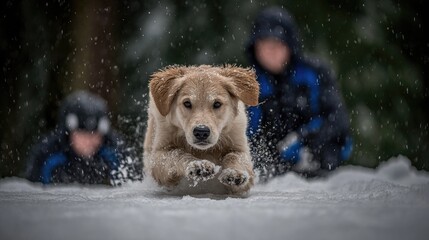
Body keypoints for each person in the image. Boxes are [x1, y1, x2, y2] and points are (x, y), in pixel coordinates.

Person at [246, 6, 353, 181]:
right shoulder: (248, 82)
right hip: (270, 170)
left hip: (320, 161)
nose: (271, 51)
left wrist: (303, 139)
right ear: (255, 47)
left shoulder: (315, 73)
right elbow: (246, 131)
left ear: (290, 45)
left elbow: (336, 118)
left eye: (278, 44)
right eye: (265, 44)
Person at [26, 90, 142, 186]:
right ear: (68, 133)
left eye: (95, 134)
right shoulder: (48, 153)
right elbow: (34, 192)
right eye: (82, 134)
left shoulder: (116, 150)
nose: (89, 141)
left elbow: (133, 186)